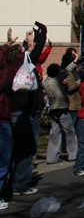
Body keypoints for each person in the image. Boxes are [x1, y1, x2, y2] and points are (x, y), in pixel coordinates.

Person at [9, 23, 47, 197]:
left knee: (14, 149)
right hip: (25, 113)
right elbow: (36, 51)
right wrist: (36, 39)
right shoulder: (22, 70)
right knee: (27, 149)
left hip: (14, 112)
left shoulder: (8, 70)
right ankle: (20, 184)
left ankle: (12, 182)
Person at [1, 32, 25, 211]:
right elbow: (10, 70)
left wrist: (8, 44)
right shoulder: (4, 75)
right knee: (2, 161)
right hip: (1, 120)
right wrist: (22, 52)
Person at [42, 62, 78, 164]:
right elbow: (67, 70)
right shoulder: (57, 80)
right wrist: (74, 61)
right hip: (62, 108)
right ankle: (73, 154)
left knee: (54, 132)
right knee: (70, 131)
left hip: (53, 109)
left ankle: (51, 157)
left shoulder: (45, 82)